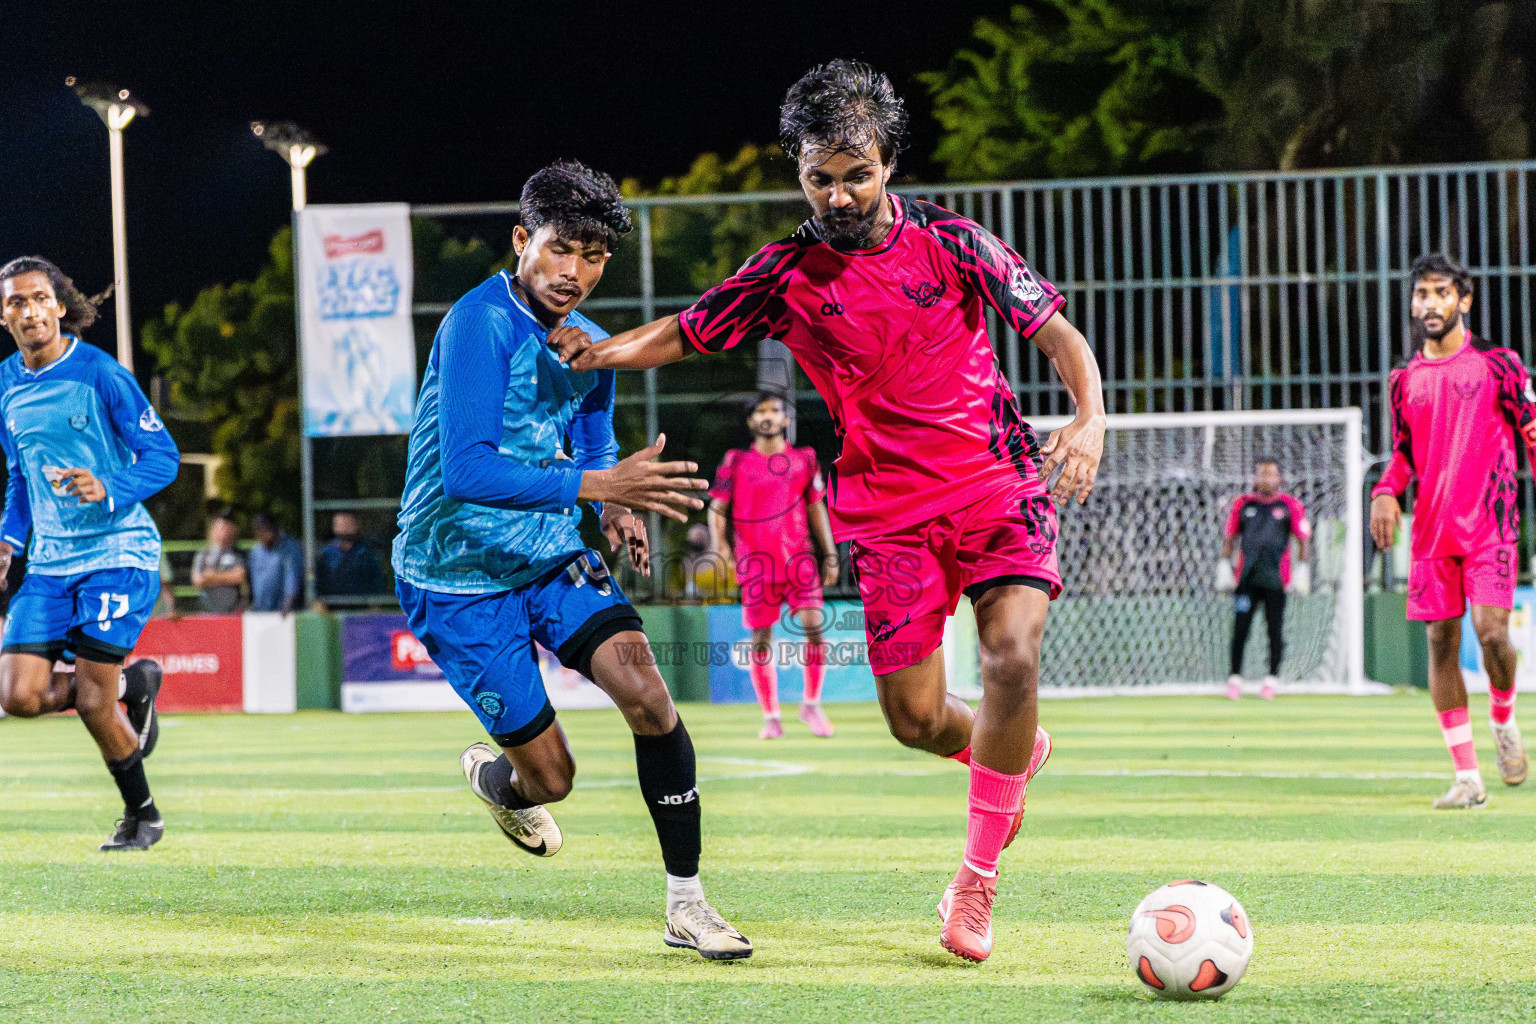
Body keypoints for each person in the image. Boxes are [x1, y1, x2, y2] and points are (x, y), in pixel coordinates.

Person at [553, 61, 1106, 963]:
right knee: (916, 721)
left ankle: (975, 885)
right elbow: (685, 330)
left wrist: (1089, 417)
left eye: (858, 172)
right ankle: (1011, 751)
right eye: (821, 176)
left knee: (1013, 651)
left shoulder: (959, 244)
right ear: (799, 172)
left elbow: (1053, 330)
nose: (841, 192)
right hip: (885, 516)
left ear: (889, 163)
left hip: (999, 486)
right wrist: (596, 354)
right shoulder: (785, 273)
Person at [392, 159, 752, 959]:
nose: (575, 273)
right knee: (552, 780)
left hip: (550, 556)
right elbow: (467, 470)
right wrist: (598, 482)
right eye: (561, 250)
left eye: (593, 257)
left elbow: (592, 430)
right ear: (522, 240)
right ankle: (502, 784)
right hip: (454, 577)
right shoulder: (476, 325)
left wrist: (611, 502)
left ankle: (687, 905)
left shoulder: (586, 343)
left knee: (649, 695)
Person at [0, 256, 176, 850]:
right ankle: (134, 687)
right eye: (15, 302)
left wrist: (110, 486)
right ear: (4, 316)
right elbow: (20, 477)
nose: (28, 310)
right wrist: (8, 538)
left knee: (94, 702)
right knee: (18, 696)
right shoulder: (5, 384)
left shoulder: (100, 373)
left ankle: (142, 816)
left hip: (116, 552)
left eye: (37, 298)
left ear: (58, 305)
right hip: (49, 563)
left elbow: (163, 457)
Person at [1371, 253, 1533, 809]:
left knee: (1491, 632)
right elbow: (1402, 454)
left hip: (1491, 526)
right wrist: (1385, 492)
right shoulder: (1403, 379)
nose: (1430, 304)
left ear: (1464, 300)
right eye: (1422, 294)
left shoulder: (1500, 364)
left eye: (1442, 293)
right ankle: (1468, 778)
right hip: (1433, 534)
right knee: (1440, 641)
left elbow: (1531, 434)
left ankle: (1505, 717)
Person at [708, 391, 838, 738]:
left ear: (786, 419)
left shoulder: (804, 460)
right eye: (760, 411)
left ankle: (811, 704)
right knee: (761, 639)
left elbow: (816, 508)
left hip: (799, 559)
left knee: (814, 626)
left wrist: (830, 553)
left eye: (775, 410)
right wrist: (720, 546)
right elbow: (717, 508)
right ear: (751, 421)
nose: (768, 416)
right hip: (755, 563)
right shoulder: (735, 461)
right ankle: (771, 716)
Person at [1218, 458, 1311, 700]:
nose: (1266, 478)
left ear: (1280, 478)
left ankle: (1271, 679)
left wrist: (1302, 569)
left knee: (1275, 630)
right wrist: (1224, 566)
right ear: (1255, 477)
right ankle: (1234, 679)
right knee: (1239, 630)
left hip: (1275, 581)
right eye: (1262, 474)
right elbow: (1230, 537)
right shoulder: (1243, 504)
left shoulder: (1290, 505)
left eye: (1271, 474)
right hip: (1246, 580)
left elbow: (1303, 539)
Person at [317, 511, 384, 598]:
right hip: (330, 607)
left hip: (361, 606)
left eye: (349, 523)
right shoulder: (326, 553)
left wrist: (375, 604)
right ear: (334, 527)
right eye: (340, 524)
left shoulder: (367, 552)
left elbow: (376, 579)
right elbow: (317, 579)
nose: (345, 528)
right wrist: (318, 600)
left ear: (356, 525)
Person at [248, 513, 304, 613]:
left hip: (283, 610)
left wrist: (287, 604)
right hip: (260, 610)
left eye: (265, 530)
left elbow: (292, 579)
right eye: (259, 531)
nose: (263, 535)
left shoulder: (289, 548)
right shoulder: (256, 552)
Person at [191, 511, 245, 613]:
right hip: (208, 612)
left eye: (226, 528)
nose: (223, 531)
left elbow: (239, 576)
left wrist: (212, 576)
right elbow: (197, 580)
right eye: (220, 528)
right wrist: (227, 578)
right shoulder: (203, 554)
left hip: (233, 611)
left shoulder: (237, 553)